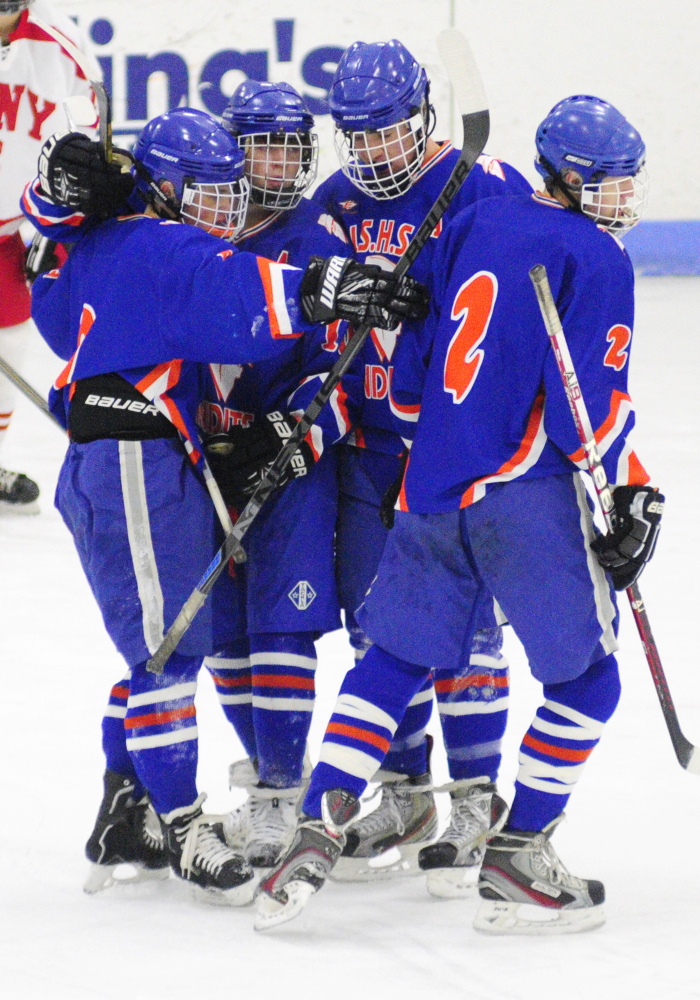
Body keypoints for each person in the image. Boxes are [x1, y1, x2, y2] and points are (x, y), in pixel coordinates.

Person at [256, 95, 663, 935]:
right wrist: (630, 495)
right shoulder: (599, 255)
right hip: (523, 494)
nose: (625, 197)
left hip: (429, 482)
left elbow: (407, 374)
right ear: (572, 178)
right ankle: (520, 853)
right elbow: (584, 411)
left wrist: (439, 432)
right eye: (612, 181)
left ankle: (320, 817)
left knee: (395, 658)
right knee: (590, 679)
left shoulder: (477, 224)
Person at [23, 106, 426, 903]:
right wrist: (329, 288)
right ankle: (181, 826)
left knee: (169, 637)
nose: (226, 204)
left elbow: (46, 286)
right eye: (207, 189)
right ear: (168, 187)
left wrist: (54, 207)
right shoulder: (161, 241)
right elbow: (230, 290)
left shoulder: (111, 236)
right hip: (134, 462)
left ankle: (127, 801)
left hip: (153, 458)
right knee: (166, 649)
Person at [311, 38, 532, 883]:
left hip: (446, 453)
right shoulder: (333, 200)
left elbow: (505, 302)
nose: (371, 152)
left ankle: (477, 794)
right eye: (357, 136)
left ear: (424, 120)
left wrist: (430, 302)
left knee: (468, 634)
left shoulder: (478, 186)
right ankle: (407, 793)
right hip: (364, 446)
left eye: (387, 132)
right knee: (377, 628)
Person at [199, 80, 359, 868]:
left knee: (280, 624)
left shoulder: (318, 237)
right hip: (204, 464)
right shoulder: (194, 226)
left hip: (289, 468)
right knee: (224, 633)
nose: (283, 162)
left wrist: (297, 429)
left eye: (295, 146)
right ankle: (275, 776)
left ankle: (274, 792)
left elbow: (343, 364)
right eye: (266, 144)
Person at [0, 0, 98, 511]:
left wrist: (50, 220)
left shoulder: (61, 45)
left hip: (18, 219)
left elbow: (85, 142)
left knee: (13, 336)